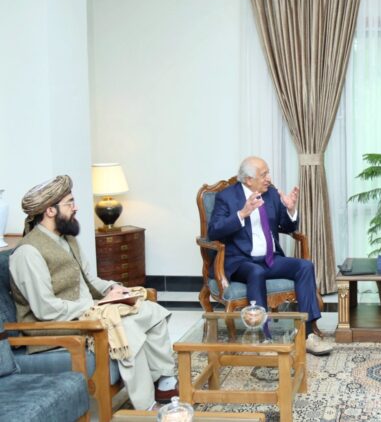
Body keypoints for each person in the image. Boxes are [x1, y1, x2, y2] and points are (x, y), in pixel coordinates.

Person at [9, 175, 178, 411]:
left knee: (149, 310)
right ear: (50, 210)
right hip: (55, 325)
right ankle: (147, 407)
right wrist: (96, 306)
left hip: (86, 313)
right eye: (70, 203)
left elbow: (89, 278)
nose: (76, 207)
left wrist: (112, 289)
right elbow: (46, 309)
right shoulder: (28, 253)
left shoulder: (66, 239)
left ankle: (165, 381)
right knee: (126, 327)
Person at [207, 156, 332, 355]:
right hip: (241, 261)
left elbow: (287, 227)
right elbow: (213, 231)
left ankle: (307, 334)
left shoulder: (271, 193)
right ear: (249, 180)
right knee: (255, 272)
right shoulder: (226, 197)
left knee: (304, 266)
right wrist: (242, 213)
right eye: (263, 174)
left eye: (268, 173)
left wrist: (291, 210)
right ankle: (263, 338)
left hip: (270, 259)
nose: (268, 178)